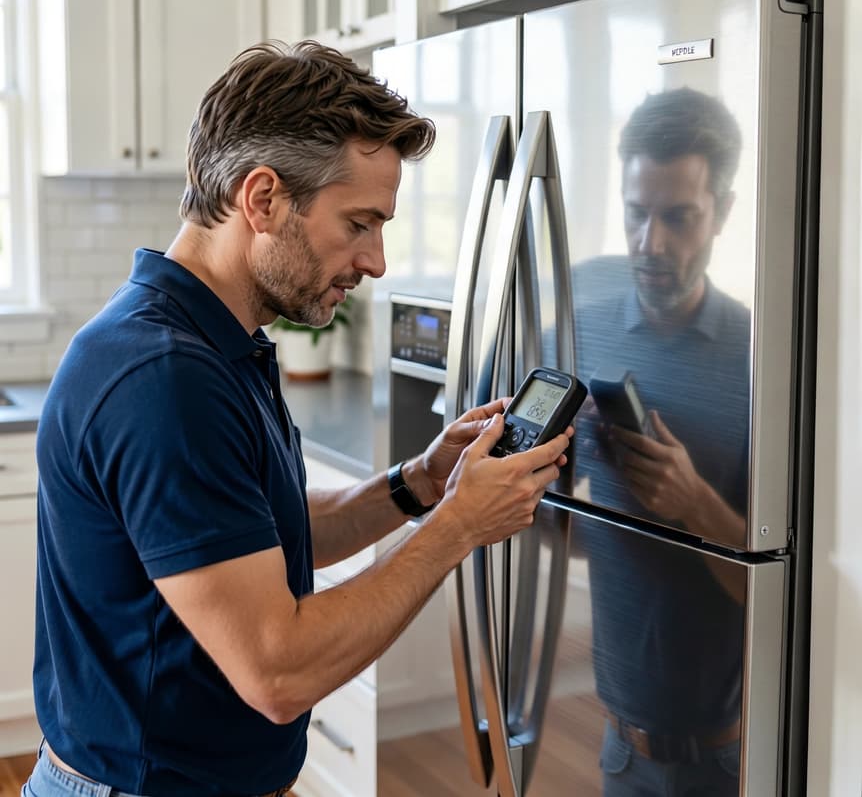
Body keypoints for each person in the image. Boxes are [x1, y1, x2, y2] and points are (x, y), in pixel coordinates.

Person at [23, 40, 573, 797]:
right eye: (359, 223)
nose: (376, 260)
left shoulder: (211, 341)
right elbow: (277, 671)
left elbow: (259, 540)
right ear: (263, 200)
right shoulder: (167, 380)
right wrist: (458, 529)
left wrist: (420, 484)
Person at [572, 87, 748, 796]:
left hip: (723, 760)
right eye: (637, 214)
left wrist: (694, 503)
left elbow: (785, 598)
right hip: (615, 744)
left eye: (679, 218)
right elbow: (576, 534)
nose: (651, 244)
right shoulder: (585, 329)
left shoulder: (763, 357)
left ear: (723, 214)